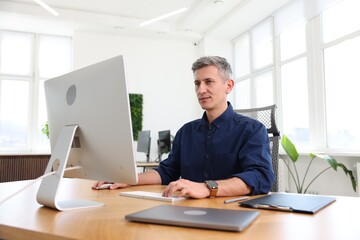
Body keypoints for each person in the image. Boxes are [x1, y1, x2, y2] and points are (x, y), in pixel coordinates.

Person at [93, 56, 274, 198]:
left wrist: (206, 188)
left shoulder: (252, 130)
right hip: (187, 210)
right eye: (197, 83)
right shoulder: (186, 132)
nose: (201, 90)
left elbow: (259, 176)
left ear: (229, 86)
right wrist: (129, 179)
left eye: (208, 82)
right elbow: (167, 171)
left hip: (231, 212)